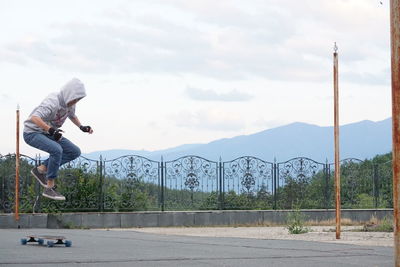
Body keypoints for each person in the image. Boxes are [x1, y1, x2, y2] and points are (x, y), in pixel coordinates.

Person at [23, 78, 93, 201]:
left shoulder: (70, 104)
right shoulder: (52, 101)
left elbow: (73, 116)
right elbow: (34, 117)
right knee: (57, 149)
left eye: (78, 99)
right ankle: (49, 188)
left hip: (48, 132)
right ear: (69, 94)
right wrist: (51, 130)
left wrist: (82, 127)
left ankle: (41, 169)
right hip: (32, 132)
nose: (75, 101)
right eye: (75, 98)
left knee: (74, 151)